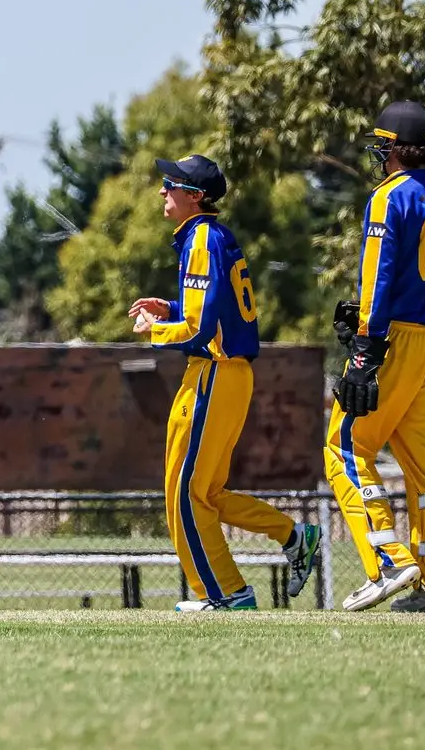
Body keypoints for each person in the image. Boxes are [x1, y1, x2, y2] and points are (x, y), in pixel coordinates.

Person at [129, 153, 321, 611]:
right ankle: (292, 536)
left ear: (195, 196)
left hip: (214, 372)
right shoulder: (213, 236)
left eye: (170, 184)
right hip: (226, 373)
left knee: (186, 495)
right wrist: (170, 310)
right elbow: (214, 313)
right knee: (204, 493)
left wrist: (155, 330)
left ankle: (227, 594)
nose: (162, 191)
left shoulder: (201, 239)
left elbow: (198, 331)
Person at [323, 101, 425, 613]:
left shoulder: (388, 198)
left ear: (397, 148)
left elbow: (377, 275)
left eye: (383, 142)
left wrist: (364, 346)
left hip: (394, 337)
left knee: (345, 446)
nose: (379, 151)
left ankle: (387, 561)